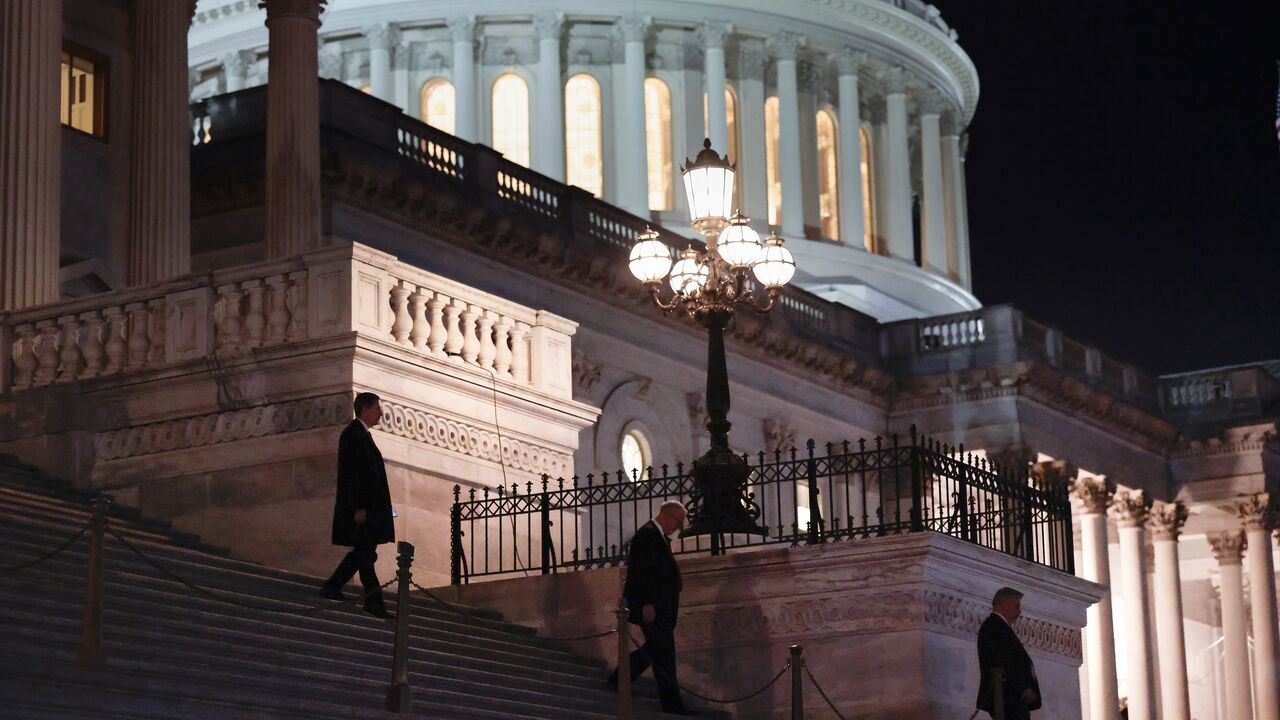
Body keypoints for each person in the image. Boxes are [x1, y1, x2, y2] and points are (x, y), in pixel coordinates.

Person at [608, 500, 698, 716]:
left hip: (661, 607)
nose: (678, 528)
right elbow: (643, 572)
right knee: (660, 650)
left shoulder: (656, 536)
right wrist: (648, 603)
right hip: (654, 607)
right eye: (679, 522)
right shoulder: (648, 535)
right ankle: (620, 677)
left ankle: (671, 704)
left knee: (662, 654)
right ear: (668, 516)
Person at [319, 392, 396, 619]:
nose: (380, 413)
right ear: (365, 409)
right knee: (365, 554)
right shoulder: (353, 435)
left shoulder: (361, 434)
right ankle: (374, 603)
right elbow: (353, 475)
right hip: (362, 509)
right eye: (377, 408)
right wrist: (359, 507)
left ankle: (333, 586)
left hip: (369, 508)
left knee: (364, 552)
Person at [976, 586, 1041, 720]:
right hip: (1008, 696)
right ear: (1004, 604)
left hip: (1013, 697)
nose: (1019, 611)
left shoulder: (1000, 627)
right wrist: (1023, 687)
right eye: (1016, 606)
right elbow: (1004, 660)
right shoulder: (994, 626)